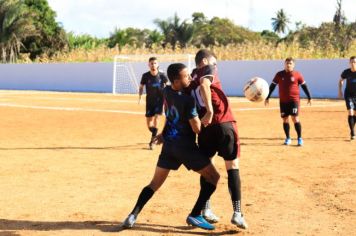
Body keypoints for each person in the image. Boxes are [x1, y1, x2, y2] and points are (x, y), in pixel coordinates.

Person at [123, 63, 220, 230]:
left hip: (169, 145)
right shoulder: (188, 100)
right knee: (214, 177)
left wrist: (162, 134)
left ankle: (132, 215)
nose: (190, 78)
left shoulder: (167, 91)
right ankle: (196, 214)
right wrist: (206, 120)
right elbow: (196, 128)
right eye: (186, 76)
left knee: (153, 184)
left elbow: (170, 115)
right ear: (176, 81)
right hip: (185, 148)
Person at [188, 49, 248, 229]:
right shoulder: (209, 70)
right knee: (232, 166)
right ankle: (237, 213)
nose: (216, 65)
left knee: (208, 168)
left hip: (205, 129)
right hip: (223, 123)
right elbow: (205, 84)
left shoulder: (190, 78)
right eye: (214, 62)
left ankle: (206, 209)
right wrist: (210, 110)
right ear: (205, 61)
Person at [265, 57, 312, 146]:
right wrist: (267, 97)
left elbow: (304, 86)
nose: (288, 65)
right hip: (283, 101)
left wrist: (309, 96)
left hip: (294, 100)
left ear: (293, 65)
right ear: (284, 64)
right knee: (285, 119)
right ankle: (288, 138)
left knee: (295, 118)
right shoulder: (279, 74)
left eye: (290, 63)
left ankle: (299, 138)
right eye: (287, 63)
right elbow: (272, 86)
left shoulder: (297, 74)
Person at [138, 57, 168, 149]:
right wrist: (139, 97)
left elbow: (167, 87)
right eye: (151, 63)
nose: (153, 65)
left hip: (160, 101)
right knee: (149, 124)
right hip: (149, 101)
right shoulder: (145, 76)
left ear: (157, 65)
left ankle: (152, 141)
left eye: (155, 63)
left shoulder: (162, 76)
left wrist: (168, 98)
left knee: (156, 118)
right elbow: (141, 87)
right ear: (148, 65)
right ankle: (155, 132)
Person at [338, 56, 356, 140]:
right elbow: (341, 80)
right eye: (351, 62)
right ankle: (352, 132)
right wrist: (340, 90)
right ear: (349, 63)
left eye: (355, 62)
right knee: (350, 112)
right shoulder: (346, 72)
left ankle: (352, 129)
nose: (353, 64)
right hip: (348, 94)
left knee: (355, 114)